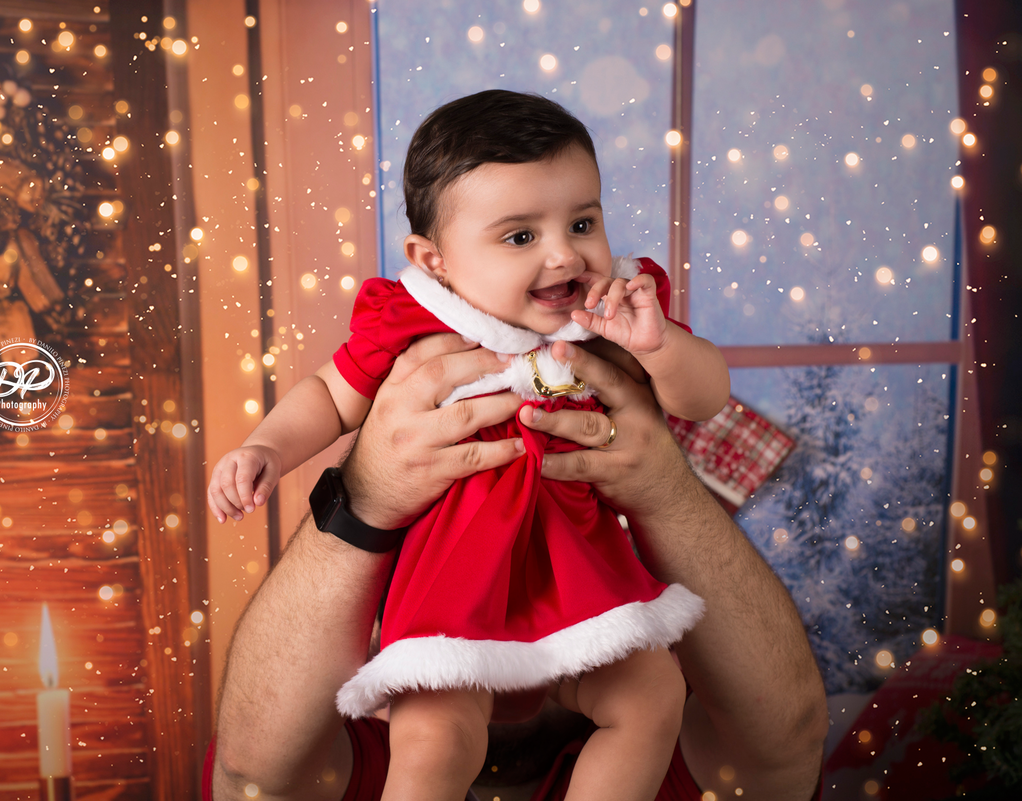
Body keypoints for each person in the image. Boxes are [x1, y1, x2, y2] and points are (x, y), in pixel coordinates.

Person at [208, 91, 731, 800]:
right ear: (437, 260)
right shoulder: (416, 321)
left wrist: (662, 347)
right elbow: (331, 394)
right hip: (455, 588)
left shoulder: (610, 312)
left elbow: (702, 398)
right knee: (432, 739)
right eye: (520, 237)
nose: (563, 253)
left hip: (577, 575)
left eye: (582, 221)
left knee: (652, 697)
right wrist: (266, 447)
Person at [207, 334, 828, 801]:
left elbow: (787, 741)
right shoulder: (357, 761)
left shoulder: (667, 751)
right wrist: (365, 495)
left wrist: (663, 488)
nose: (511, 610)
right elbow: (251, 774)